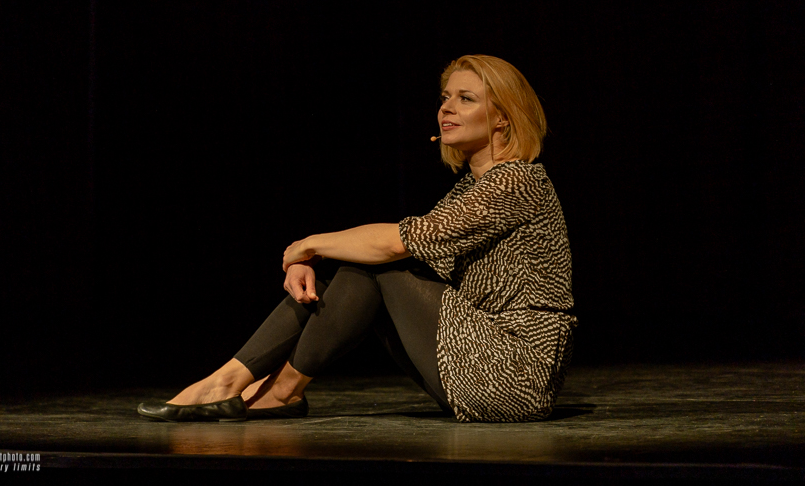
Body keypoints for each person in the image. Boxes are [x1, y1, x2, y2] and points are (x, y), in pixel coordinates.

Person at [137, 54, 576, 423]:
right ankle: (243, 381)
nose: (446, 108)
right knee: (364, 271)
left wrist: (306, 247)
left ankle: (265, 388)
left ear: (502, 117)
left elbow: (396, 244)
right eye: (445, 98)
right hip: (473, 366)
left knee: (384, 265)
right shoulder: (468, 190)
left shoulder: (518, 182)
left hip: (516, 373)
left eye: (466, 98)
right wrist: (314, 262)